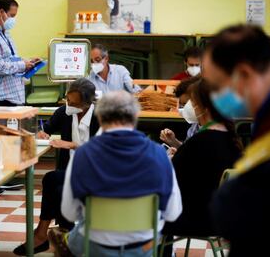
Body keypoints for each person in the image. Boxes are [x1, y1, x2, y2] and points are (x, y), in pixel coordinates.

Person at [51, 90, 182, 257]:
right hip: (144, 248)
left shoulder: (84, 154)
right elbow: (173, 212)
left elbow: (69, 212)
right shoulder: (159, 154)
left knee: (76, 234)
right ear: (135, 116)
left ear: (99, 117)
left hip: (94, 246)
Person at [203, 25, 270, 257]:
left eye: (216, 86)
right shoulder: (265, 119)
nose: (214, 97)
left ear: (243, 74)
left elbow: (240, 207)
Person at [13, 78, 100, 255]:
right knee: (52, 179)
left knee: (58, 186)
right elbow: (47, 129)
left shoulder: (101, 116)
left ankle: (52, 235)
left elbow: (104, 151)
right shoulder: (64, 112)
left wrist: (72, 145)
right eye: (67, 100)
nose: (68, 104)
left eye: (73, 103)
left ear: (86, 103)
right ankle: (48, 233)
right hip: (71, 169)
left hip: (96, 172)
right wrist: (43, 134)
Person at [161, 78, 242, 257]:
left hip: (197, 219)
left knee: (155, 211)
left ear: (203, 107)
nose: (189, 107)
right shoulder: (233, 140)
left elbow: (168, 177)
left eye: (192, 102)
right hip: (221, 216)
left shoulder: (198, 142)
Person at [160, 76, 201, 148]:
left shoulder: (216, 130)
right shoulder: (195, 126)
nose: (184, 109)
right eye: (182, 106)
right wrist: (173, 142)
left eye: (186, 104)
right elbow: (188, 150)